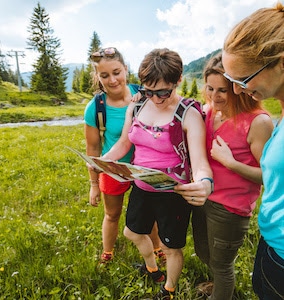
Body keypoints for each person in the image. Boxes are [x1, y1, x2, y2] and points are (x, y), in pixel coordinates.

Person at [103, 48, 213, 299]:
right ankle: (152, 268)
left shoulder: (188, 113)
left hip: (172, 193)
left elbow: (199, 162)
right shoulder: (139, 103)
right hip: (142, 187)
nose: (156, 98)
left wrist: (204, 182)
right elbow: (124, 143)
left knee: (170, 246)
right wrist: (103, 161)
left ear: (178, 81)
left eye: (163, 91)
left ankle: (169, 289)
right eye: (149, 90)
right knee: (131, 232)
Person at [194, 52, 273, 300]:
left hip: (230, 208)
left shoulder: (258, 122)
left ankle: (222, 290)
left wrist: (230, 162)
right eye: (210, 89)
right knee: (204, 252)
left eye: (222, 91)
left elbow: (268, 175)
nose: (215, 97)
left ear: (238, 89)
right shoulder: (208, 113)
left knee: (222, 265)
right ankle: (217, 286)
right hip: (203, 197)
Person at [222, 3, 284, 299]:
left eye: (243, 80)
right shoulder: (280, 113)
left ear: (281, 63)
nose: (236, 91)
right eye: (231, 81)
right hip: (271, 244)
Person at [84, 47, 165, 265]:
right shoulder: (95, 108)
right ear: (98, 78)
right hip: (112, 168)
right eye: (104, 75)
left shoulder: (144, 95)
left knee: (150, 214)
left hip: (143, 166)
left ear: (125, 69)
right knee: (112, 214)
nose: (112, 80)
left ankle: (158, 249)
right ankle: (107, 253)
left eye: (116, 72)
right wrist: (93, 184)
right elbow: (93, 148)